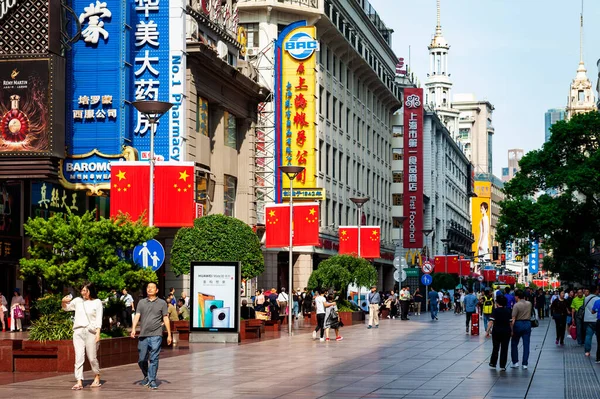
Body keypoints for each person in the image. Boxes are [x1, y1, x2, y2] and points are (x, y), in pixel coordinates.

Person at [131, 282, 172, 390]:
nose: (149, 289)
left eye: (152, 287)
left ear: (157, 290)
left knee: (154, 358)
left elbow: (165, 318)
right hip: (143, 334)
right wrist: (134, 328)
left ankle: (152, 380)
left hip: (156, 334)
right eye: (148, 287)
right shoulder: (141, 302)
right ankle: (146, 375)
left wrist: (169, 334)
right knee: (141, 359)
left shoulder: (162, 303)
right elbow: (137, 315)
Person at [61, 284, 103, 390]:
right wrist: (63, 302)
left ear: (91, 291)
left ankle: (97, 375)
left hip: (91, 332)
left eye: (85, 290)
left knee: (92, 358)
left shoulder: (97, 302)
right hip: (78, 331)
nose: (83, 292)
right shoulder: (78, 301)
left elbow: (99, 318)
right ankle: (79, 381)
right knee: (79, 357)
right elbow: (66, 308)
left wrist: (98, 333)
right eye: (82, 290)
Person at [486, 295, 512, 371]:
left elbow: (491, 321)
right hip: (506, 332)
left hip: (496, 332)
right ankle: (502, 365)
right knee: (504, 348)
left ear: (497, 303)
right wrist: (512, 330)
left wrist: (487, 331)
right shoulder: (508, 310)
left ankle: (493, 363)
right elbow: (510, 322)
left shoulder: (495, 310)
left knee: (495, 347)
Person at [510, 289, 532, 369]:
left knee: (514, 343)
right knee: (526, 344)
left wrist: (511, 329)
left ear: (517, 296)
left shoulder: (516, 305)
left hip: (518, 324)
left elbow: (513, 318)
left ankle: (515, 362)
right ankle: (525, 363)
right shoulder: (529, 304)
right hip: (527, 323)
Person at [582, 287, 600, 357]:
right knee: (598, 337)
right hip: (596, 320)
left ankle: (587, 351)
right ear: (596, 291)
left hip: (587, 319)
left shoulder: (586, 299)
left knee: (588, 335)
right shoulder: (598, 299)